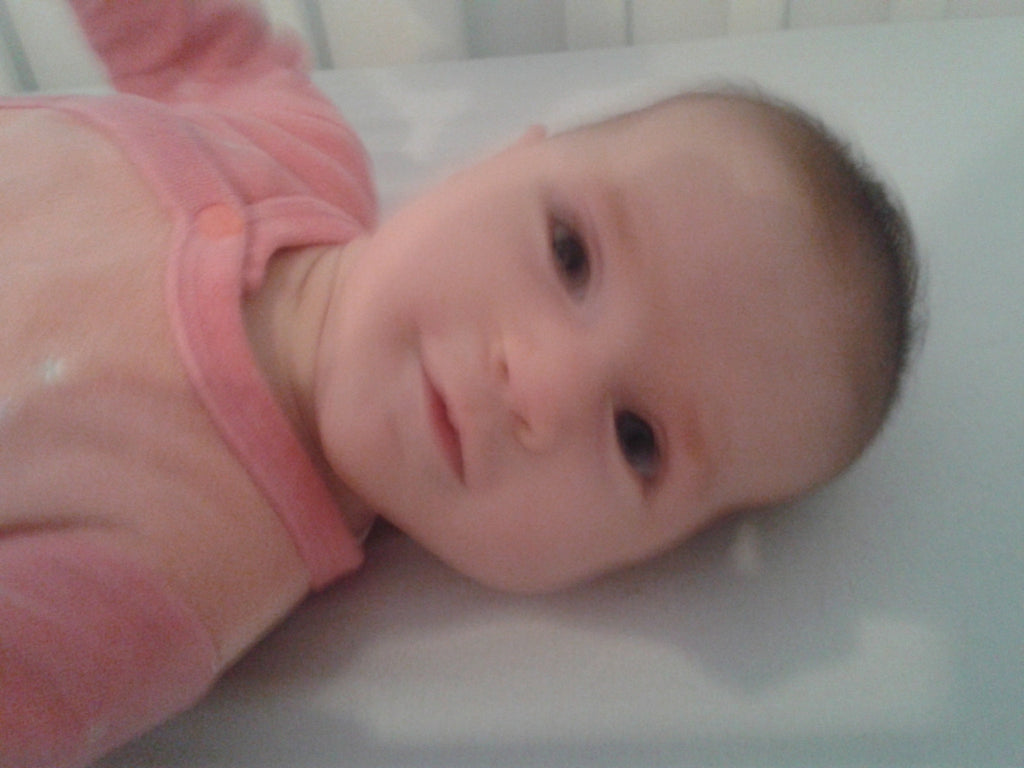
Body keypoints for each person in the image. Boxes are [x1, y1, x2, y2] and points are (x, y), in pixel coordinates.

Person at [0, 1, 917, 766]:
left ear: (634, 561)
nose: (542, 386)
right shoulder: (298, 145)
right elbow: (189, 45)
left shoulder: (170, 585)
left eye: (637, 437)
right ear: (499, 159)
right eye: (570, 253)